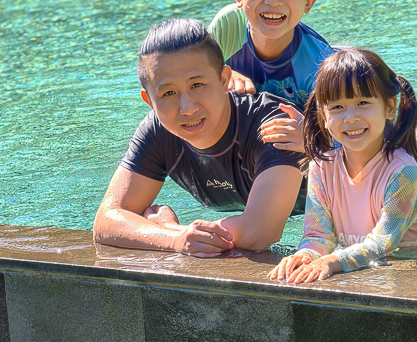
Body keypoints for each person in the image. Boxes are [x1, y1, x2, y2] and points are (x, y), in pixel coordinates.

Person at [93, 17, 306, 257]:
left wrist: (173, 229)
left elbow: (260, 232)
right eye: (169, 93)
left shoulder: (276, 125)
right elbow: (106, 220)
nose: (187, 108)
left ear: (224, 80)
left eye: (197, 85)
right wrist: (175, 239)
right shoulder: (157, 132)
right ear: (149, 101)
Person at [269, 48, 417, 284]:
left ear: (389, 108)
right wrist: (306, 255)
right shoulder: (321, 167)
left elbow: (382, 243)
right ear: (323, 116)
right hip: (376, 262)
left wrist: (332, 261)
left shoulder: (403, 172)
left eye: (362, 102)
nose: (350, 117)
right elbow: (318, 234)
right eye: (337, 107)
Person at [208, 0, 334, 153]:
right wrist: (220, 72)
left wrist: (313, 140)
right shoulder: (228, 25)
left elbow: (348, 138)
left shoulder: (321, 65)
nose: (273, 0)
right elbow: (188, 75)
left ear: (308, 2)